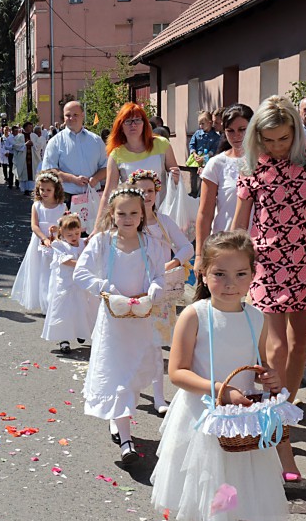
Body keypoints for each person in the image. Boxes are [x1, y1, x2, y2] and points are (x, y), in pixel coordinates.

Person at [150, 230, 291, 521]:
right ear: (204, 274)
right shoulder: (196, 314)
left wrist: (270, 379)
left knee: (252, 512)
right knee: (211, 511)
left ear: (253, 274)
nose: (230, 283)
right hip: (203, 421)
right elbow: (177, 371)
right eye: (220, 274)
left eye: (241, 274)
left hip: (242, 423)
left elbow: (256, 366)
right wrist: (218, 390)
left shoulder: (255, 317)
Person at [231, 95, 306, 479]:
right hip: (267, 262)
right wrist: (228, 262)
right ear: (257, 138)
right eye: (269, 140)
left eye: (284, 138)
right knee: (277, 343)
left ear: (296, 132)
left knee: (299, 345)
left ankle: (283, 413)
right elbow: (240, 220)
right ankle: (277, 427)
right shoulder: (253, 164)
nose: (277, 147)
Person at [74, 187, 167, 466]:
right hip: (114, 320)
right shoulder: (103, 241)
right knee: (117, 377)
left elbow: (160, 276)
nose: (127, 218)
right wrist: (106, 288)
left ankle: (119, 419)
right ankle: (126, 440)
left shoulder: (151, 244)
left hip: (140, 319)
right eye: (122, 213)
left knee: (134, 375)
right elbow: (81, 272)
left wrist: (153, 290)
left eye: (134, 213)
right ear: (113, 215)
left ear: (142, 215)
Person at [128, 169, 195, 413]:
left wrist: (173, 263)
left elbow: (187, 247)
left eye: (150, 190)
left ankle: (159, 397)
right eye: (140, 190)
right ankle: (130, 391)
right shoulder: (128, 221)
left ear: (157, 192)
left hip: (161, 293)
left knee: (155, 346)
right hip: (134, 291)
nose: (145, 195)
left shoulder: (164, 221)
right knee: (134, 345)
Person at [195, 104, 252, 270]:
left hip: (259, 245)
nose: (237, 136)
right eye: (230, 131)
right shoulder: (217, 164)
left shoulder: (265, 161)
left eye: (242, 129)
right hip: (226, 245)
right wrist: (199, 255)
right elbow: (205, 213)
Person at [99, 102, 181, 212]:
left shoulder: (162, 144)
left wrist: (175, 177)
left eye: (137, 120)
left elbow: (176, 179)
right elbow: (108, 193)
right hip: (132, 216)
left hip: (163, 212)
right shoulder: (116, 154)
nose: (133, 125)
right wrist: (98, 226)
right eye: (128, 121)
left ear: (144, 123)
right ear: (121, 126)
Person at [11, 173, 66, 312]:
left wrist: (58, 229)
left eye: (48, 190)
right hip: (40, 242)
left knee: (53, 272)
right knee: (40, 272)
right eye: (42, 189)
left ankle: (54, 301)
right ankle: (43, 303)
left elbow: (66, 225)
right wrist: (44, 238)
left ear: (55, 190)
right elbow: (34, 226)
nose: (45, 193)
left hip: (57, 242)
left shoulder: (62, 207)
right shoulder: (37, 206)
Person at [41, 101, 108, 211]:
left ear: (83, 115)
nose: (71, 118)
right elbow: (49, 170)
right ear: (63, 117)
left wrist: (95, 178)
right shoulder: (55, 142)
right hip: (66, 197)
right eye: (68, 115)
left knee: (93, 228)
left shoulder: (96, 140)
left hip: (92, 196)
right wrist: (73, 179)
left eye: (75, 115)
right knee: (66, 228)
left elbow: (106, 167)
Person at [41, 213, 88, 353]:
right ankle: (64, 339)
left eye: (77, 233)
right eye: (70, 235)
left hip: (80, 283)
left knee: (81, 307)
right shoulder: (59, 245)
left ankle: (81, 331)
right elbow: (65, 261)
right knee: (64, 311)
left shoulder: (84, 243)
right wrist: (83, 264)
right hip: (65, 284)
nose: (74, 237)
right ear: (62, 233)